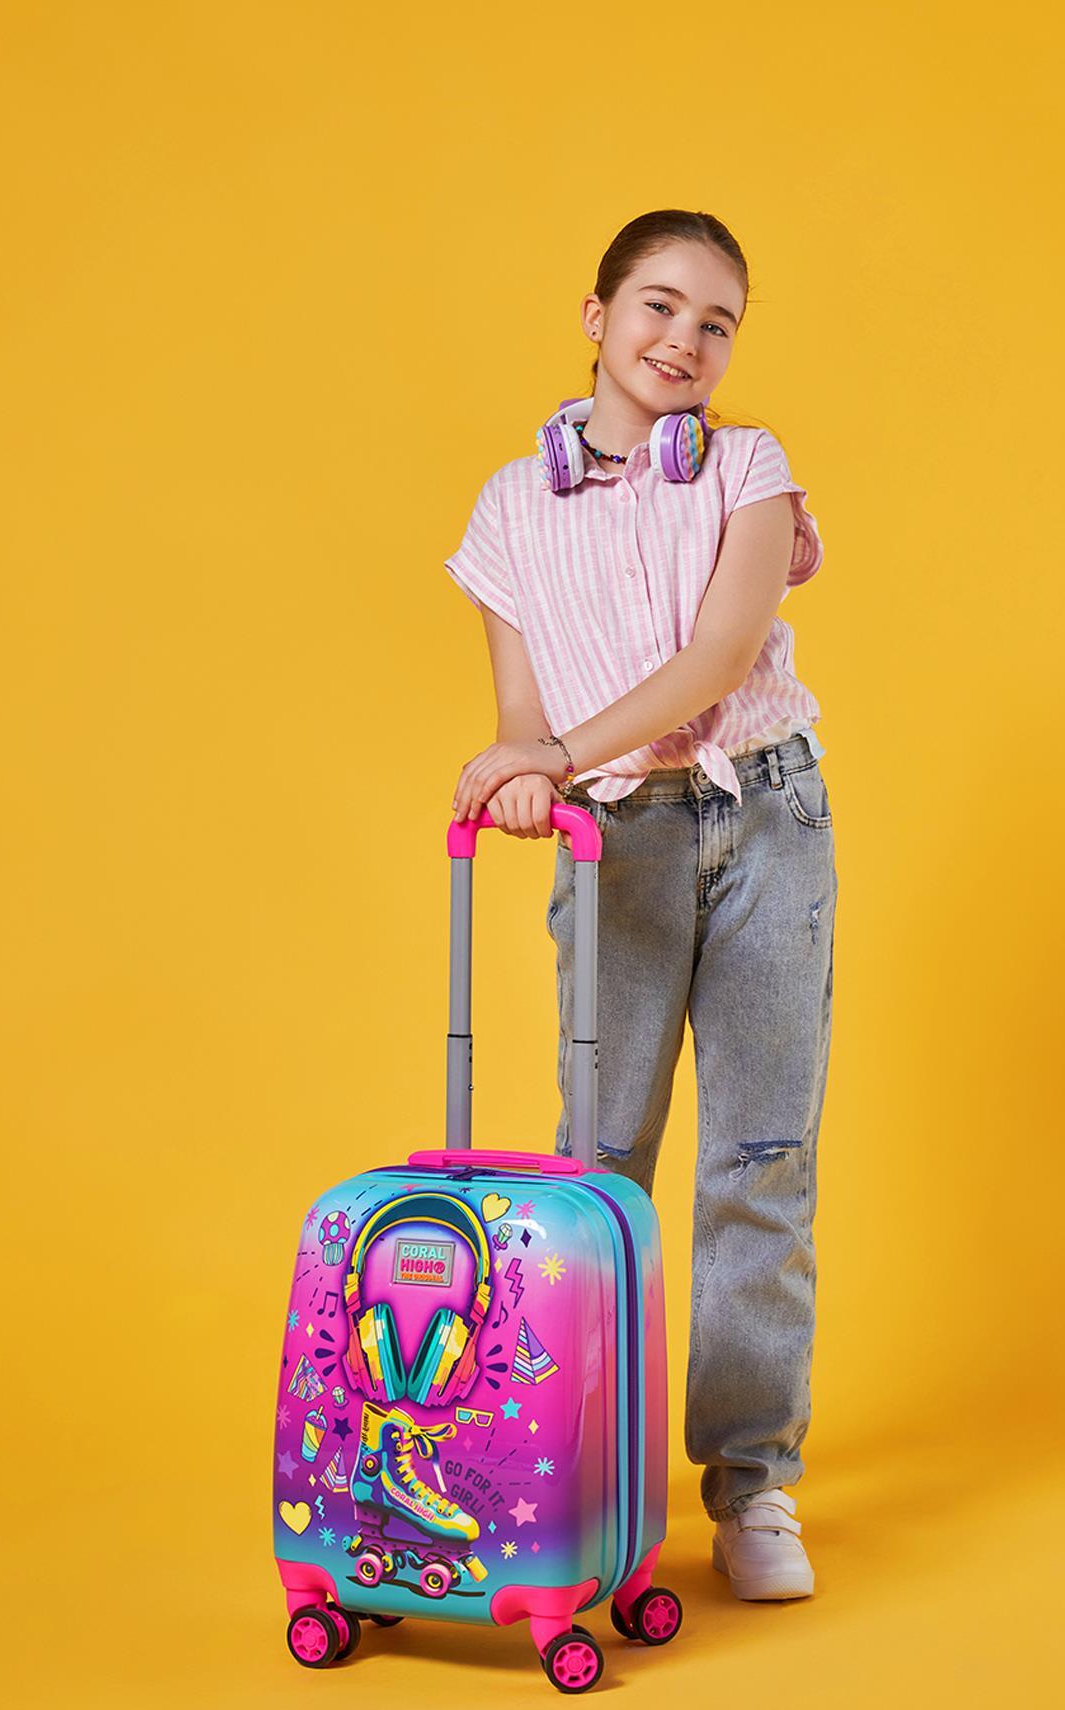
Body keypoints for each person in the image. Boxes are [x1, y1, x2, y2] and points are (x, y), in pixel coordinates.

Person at [443, 209, 836, 1603]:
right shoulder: (509, 508)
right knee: (599, 1166)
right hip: (618, 843)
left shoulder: (749, 469)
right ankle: (585, 1468)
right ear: (597, 314)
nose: (684, 339)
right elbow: (520, 705)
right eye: (659, 305)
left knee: (760, 1161)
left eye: (716, 323)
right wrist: (526, 772)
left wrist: (554, 755)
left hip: (768, 817)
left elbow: (721, 656)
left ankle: (751, 1483)